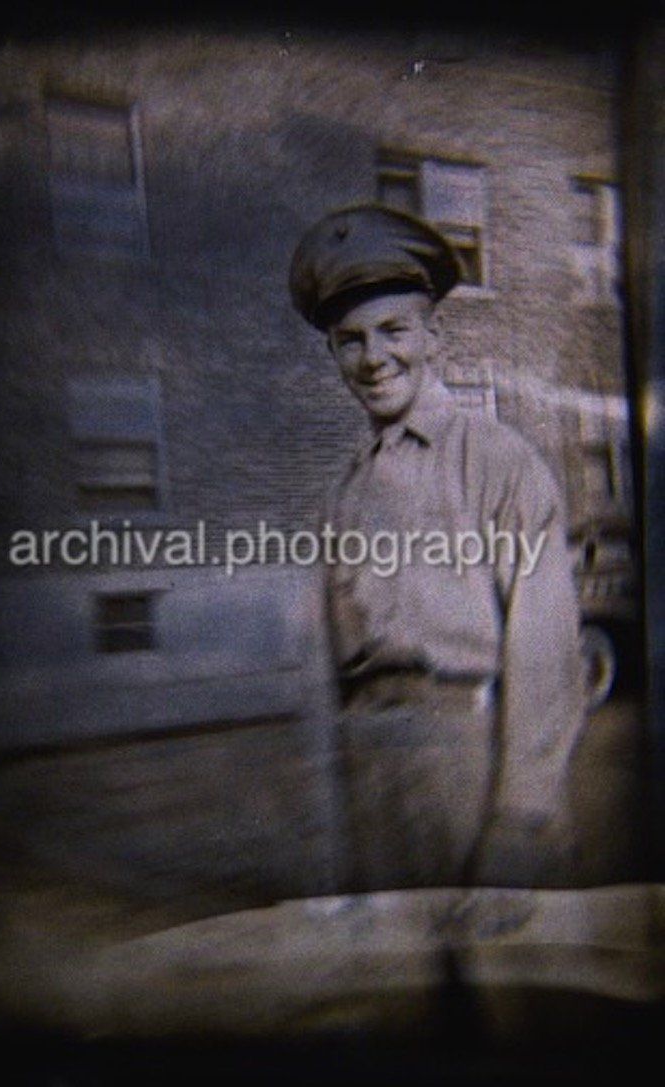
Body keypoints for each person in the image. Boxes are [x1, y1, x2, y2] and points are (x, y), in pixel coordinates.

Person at [290, 203, 585, 887]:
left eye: (393, 330)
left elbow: (543, 646)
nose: (373, 357)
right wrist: (330, 832)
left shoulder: (495, 458)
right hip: (374, 768)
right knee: (403, 988)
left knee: (505, 982)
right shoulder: (341, 493)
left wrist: (521, 815)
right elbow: (319, 673)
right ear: (332, 353)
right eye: (350, 339)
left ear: (433, 338)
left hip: (475, 755)